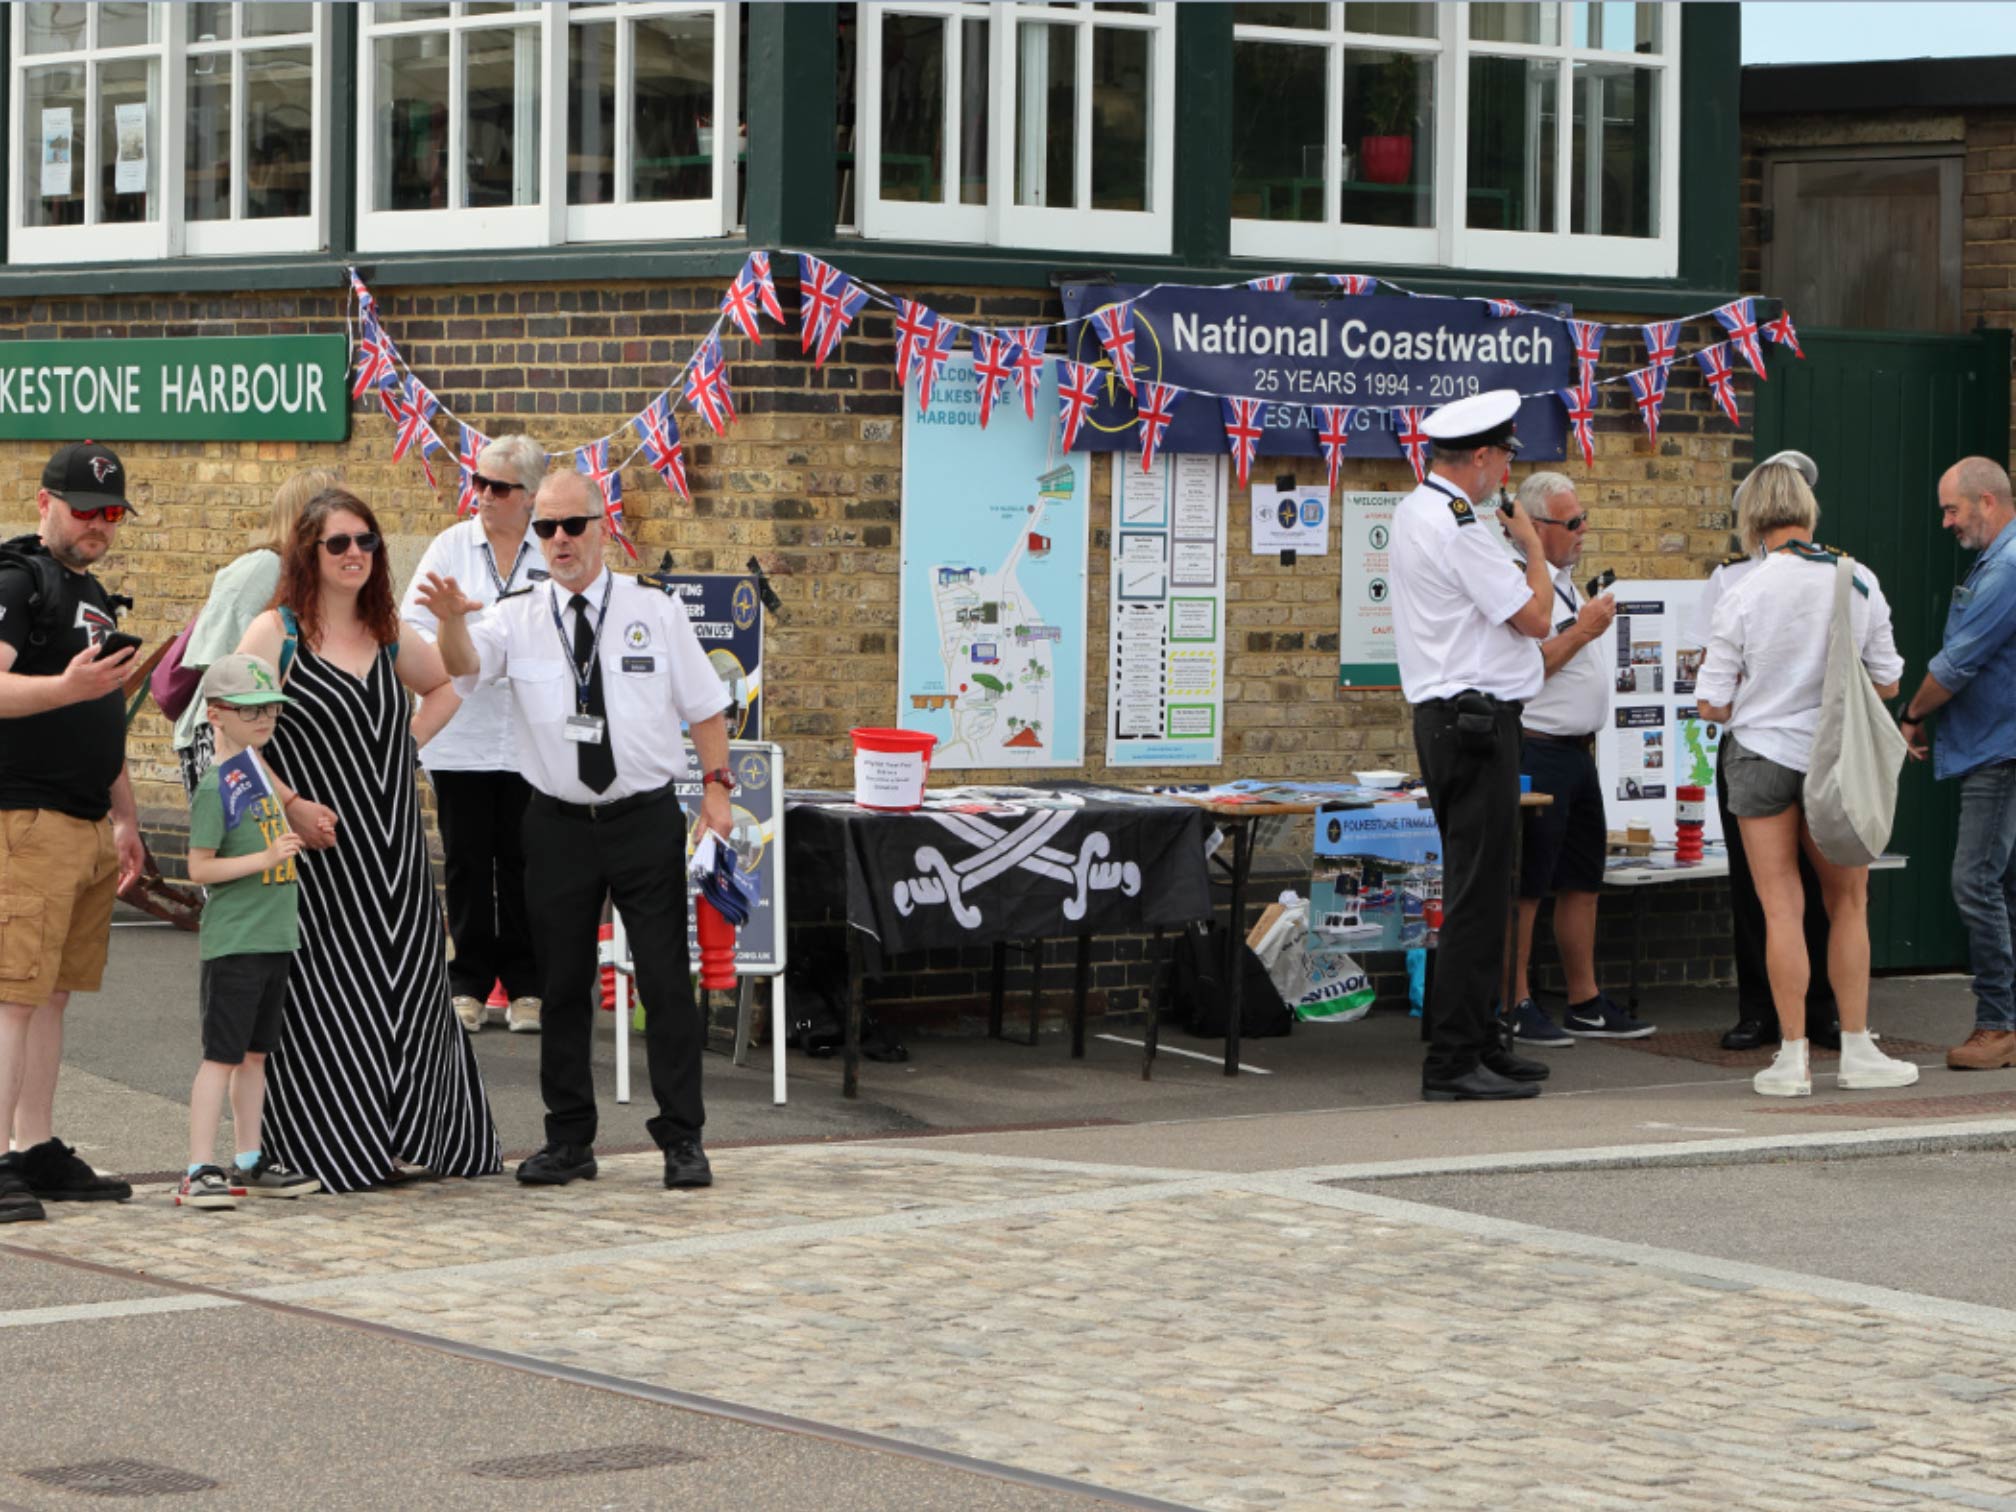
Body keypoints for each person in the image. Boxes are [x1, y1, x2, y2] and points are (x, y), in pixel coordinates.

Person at [417, 471, 734, 1188]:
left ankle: (683, 1138)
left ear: (603, 526)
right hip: (557, 823)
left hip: (643, 817)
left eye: (573, 526)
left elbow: (705, 707)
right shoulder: (516, 614)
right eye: (546, 529)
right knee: (561, 985)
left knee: (663, 980)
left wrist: (716, 791)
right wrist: (452, 621)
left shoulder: (653, 609)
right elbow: (461, 669)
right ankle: (569, 1140)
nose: (559, 541)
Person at [237, 489, 502, 1192]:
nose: (356, 554)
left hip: (394, 846)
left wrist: (399, 749)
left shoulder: (387, 631)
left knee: (408, 988)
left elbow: (450, 685)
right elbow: (227, 731)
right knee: (330, 995)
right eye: (339, 544)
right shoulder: (277, 632)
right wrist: (289, 804)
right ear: (308, 553)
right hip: (320, 852)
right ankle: (333, 1143)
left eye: (367, 542)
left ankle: (405, 1135)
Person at [1694, 463, 1921, 1097]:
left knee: (1780, 908)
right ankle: (1855, 1049)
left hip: (1759, 754)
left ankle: (1791, 1058)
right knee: (1847, 903)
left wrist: (1757, 700)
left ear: (1753, 521)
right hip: (1835, 760)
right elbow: (1888, 681)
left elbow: (1711, 703)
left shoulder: (1742, 590)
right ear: (1808, 511)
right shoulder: (1858, 580)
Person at [1390, 390, 1554, 1102]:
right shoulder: (1458, 526)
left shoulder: (1418, 510)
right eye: (1505, 459)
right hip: (1474, 724)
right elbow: (1537, 618)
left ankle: (1481, 1037)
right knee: (1477, 895)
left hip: (1459, 721)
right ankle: (1455, 1059)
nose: (1506, 475)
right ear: (1482, 458)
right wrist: (1535, 550)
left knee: (1482, 885)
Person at [0, 443, 147, 1224]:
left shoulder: (88, 591)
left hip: (88, 818)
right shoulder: (17, 580)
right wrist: (64, 684)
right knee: (12, 995)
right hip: (25, 816)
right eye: (85, 509)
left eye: (112, 512)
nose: (97, 524)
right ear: (45, 503)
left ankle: (36, 1146)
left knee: (52, 995)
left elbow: (101, 713)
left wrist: (125, 814)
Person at [1690, 451, 1841, 1053]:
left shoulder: (1834, 574)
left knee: (1824, 889)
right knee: (1757, 889)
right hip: (1754, 748)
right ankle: (1759, 1008)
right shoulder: (1729, 580)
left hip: (1816, 747)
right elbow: (1710, 671)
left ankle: (1824, 1009)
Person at [399, 436, 547, 1035]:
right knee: (465, 859)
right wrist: (456, 634)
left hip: (532, 734)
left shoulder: (552, 546)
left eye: (500, 487)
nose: (483, 495)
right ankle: (469, 981)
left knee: (523, 861)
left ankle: (526, 986)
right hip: (461, 731)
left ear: (531, 496)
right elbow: (409, 624)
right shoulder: (452, 544)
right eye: (479, 482)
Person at [1504, 472, 1656, 1046]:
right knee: (1528, 885)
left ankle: (1585, 1000)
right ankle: (1513, 1000)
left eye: (1583, 518)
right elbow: (1524, 672)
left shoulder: (1563, 582)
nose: (1583, 530)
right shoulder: (1520, 583)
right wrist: (1586, 631)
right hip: (1537, 747)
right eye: (1572, 523)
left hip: (1577, 751)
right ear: (1535, 528)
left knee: (1582, 880)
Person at [177, 654, 320, 1209]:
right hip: (235, 941)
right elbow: (198, 868)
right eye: (250, 710)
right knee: (221, 1056)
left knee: (257, 1055)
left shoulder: (257, 773)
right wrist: (265, 857)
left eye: (271, 710)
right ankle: (197, 1167)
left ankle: (249, 1157)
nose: (264, 719)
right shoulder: (218, 787)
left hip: (274, 938)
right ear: (217, 714)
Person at [1899, 457, 2016, 1071]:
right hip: (1992, 741)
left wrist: (1913, 713)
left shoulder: (2008, 568)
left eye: (1953, 509)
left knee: (1974, 882)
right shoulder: (1999, 561)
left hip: (1998, 749)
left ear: (1987, 502)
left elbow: (1958, 663)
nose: (1946, 521)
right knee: (2004, 886)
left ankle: (1997, 1024)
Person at [172, 470, 337, 796]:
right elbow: (214, 661)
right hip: (222, 736)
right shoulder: (265, 566)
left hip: (263, 735)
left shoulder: (316, 576)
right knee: (237, 844)